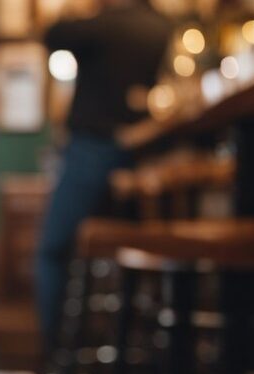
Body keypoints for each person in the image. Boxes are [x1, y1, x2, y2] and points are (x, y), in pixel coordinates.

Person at [35, 0, 172, 350]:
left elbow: (51, 34)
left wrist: (70, 7)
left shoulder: (105, 24)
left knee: (53, 250)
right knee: (123, 255)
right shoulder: (160, 26)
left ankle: (57, 355)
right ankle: (130, 346)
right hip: (136, 156)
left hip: (92, 150)